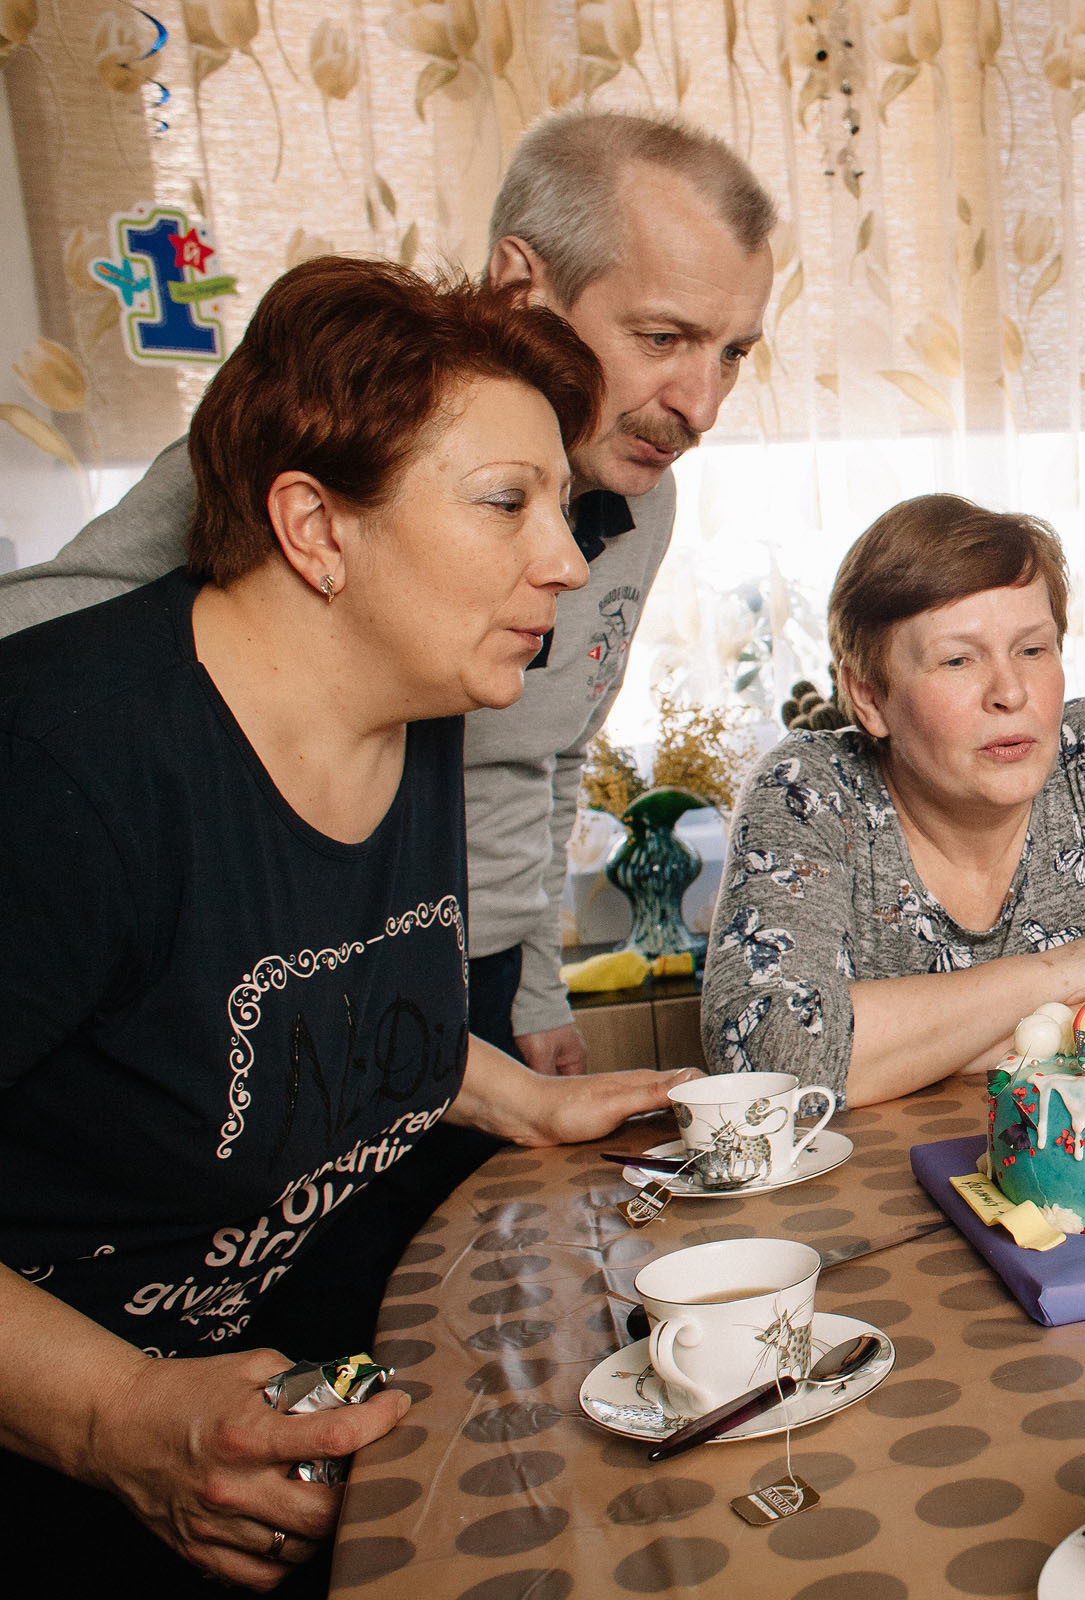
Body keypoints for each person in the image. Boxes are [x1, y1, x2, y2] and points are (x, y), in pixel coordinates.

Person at [0, 258, 693, 1594]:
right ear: (317, 527)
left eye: (560, 503)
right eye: (507, 504)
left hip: (295, 1411)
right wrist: (113, 1422)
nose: (563, 558)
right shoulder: (64, 768)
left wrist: (516, 1100)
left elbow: (306, 993)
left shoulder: (419, 700)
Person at [0, 108, 776, 1079]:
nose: (703, 405)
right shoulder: (343, 437)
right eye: (664, 336)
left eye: (736, 352)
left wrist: (530, 989)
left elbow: (554, 755)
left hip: (471, 973)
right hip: (286, 966)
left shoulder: (639, 504)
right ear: (520, 286)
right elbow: (44, 649)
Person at [702, 495, 1085, 1107]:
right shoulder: (809, 791)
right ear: (868, 697)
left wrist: (913, 1047)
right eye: (957, 660)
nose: (1009, 692)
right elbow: (767, 1059)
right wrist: (1074, 972)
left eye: (1032, 649)